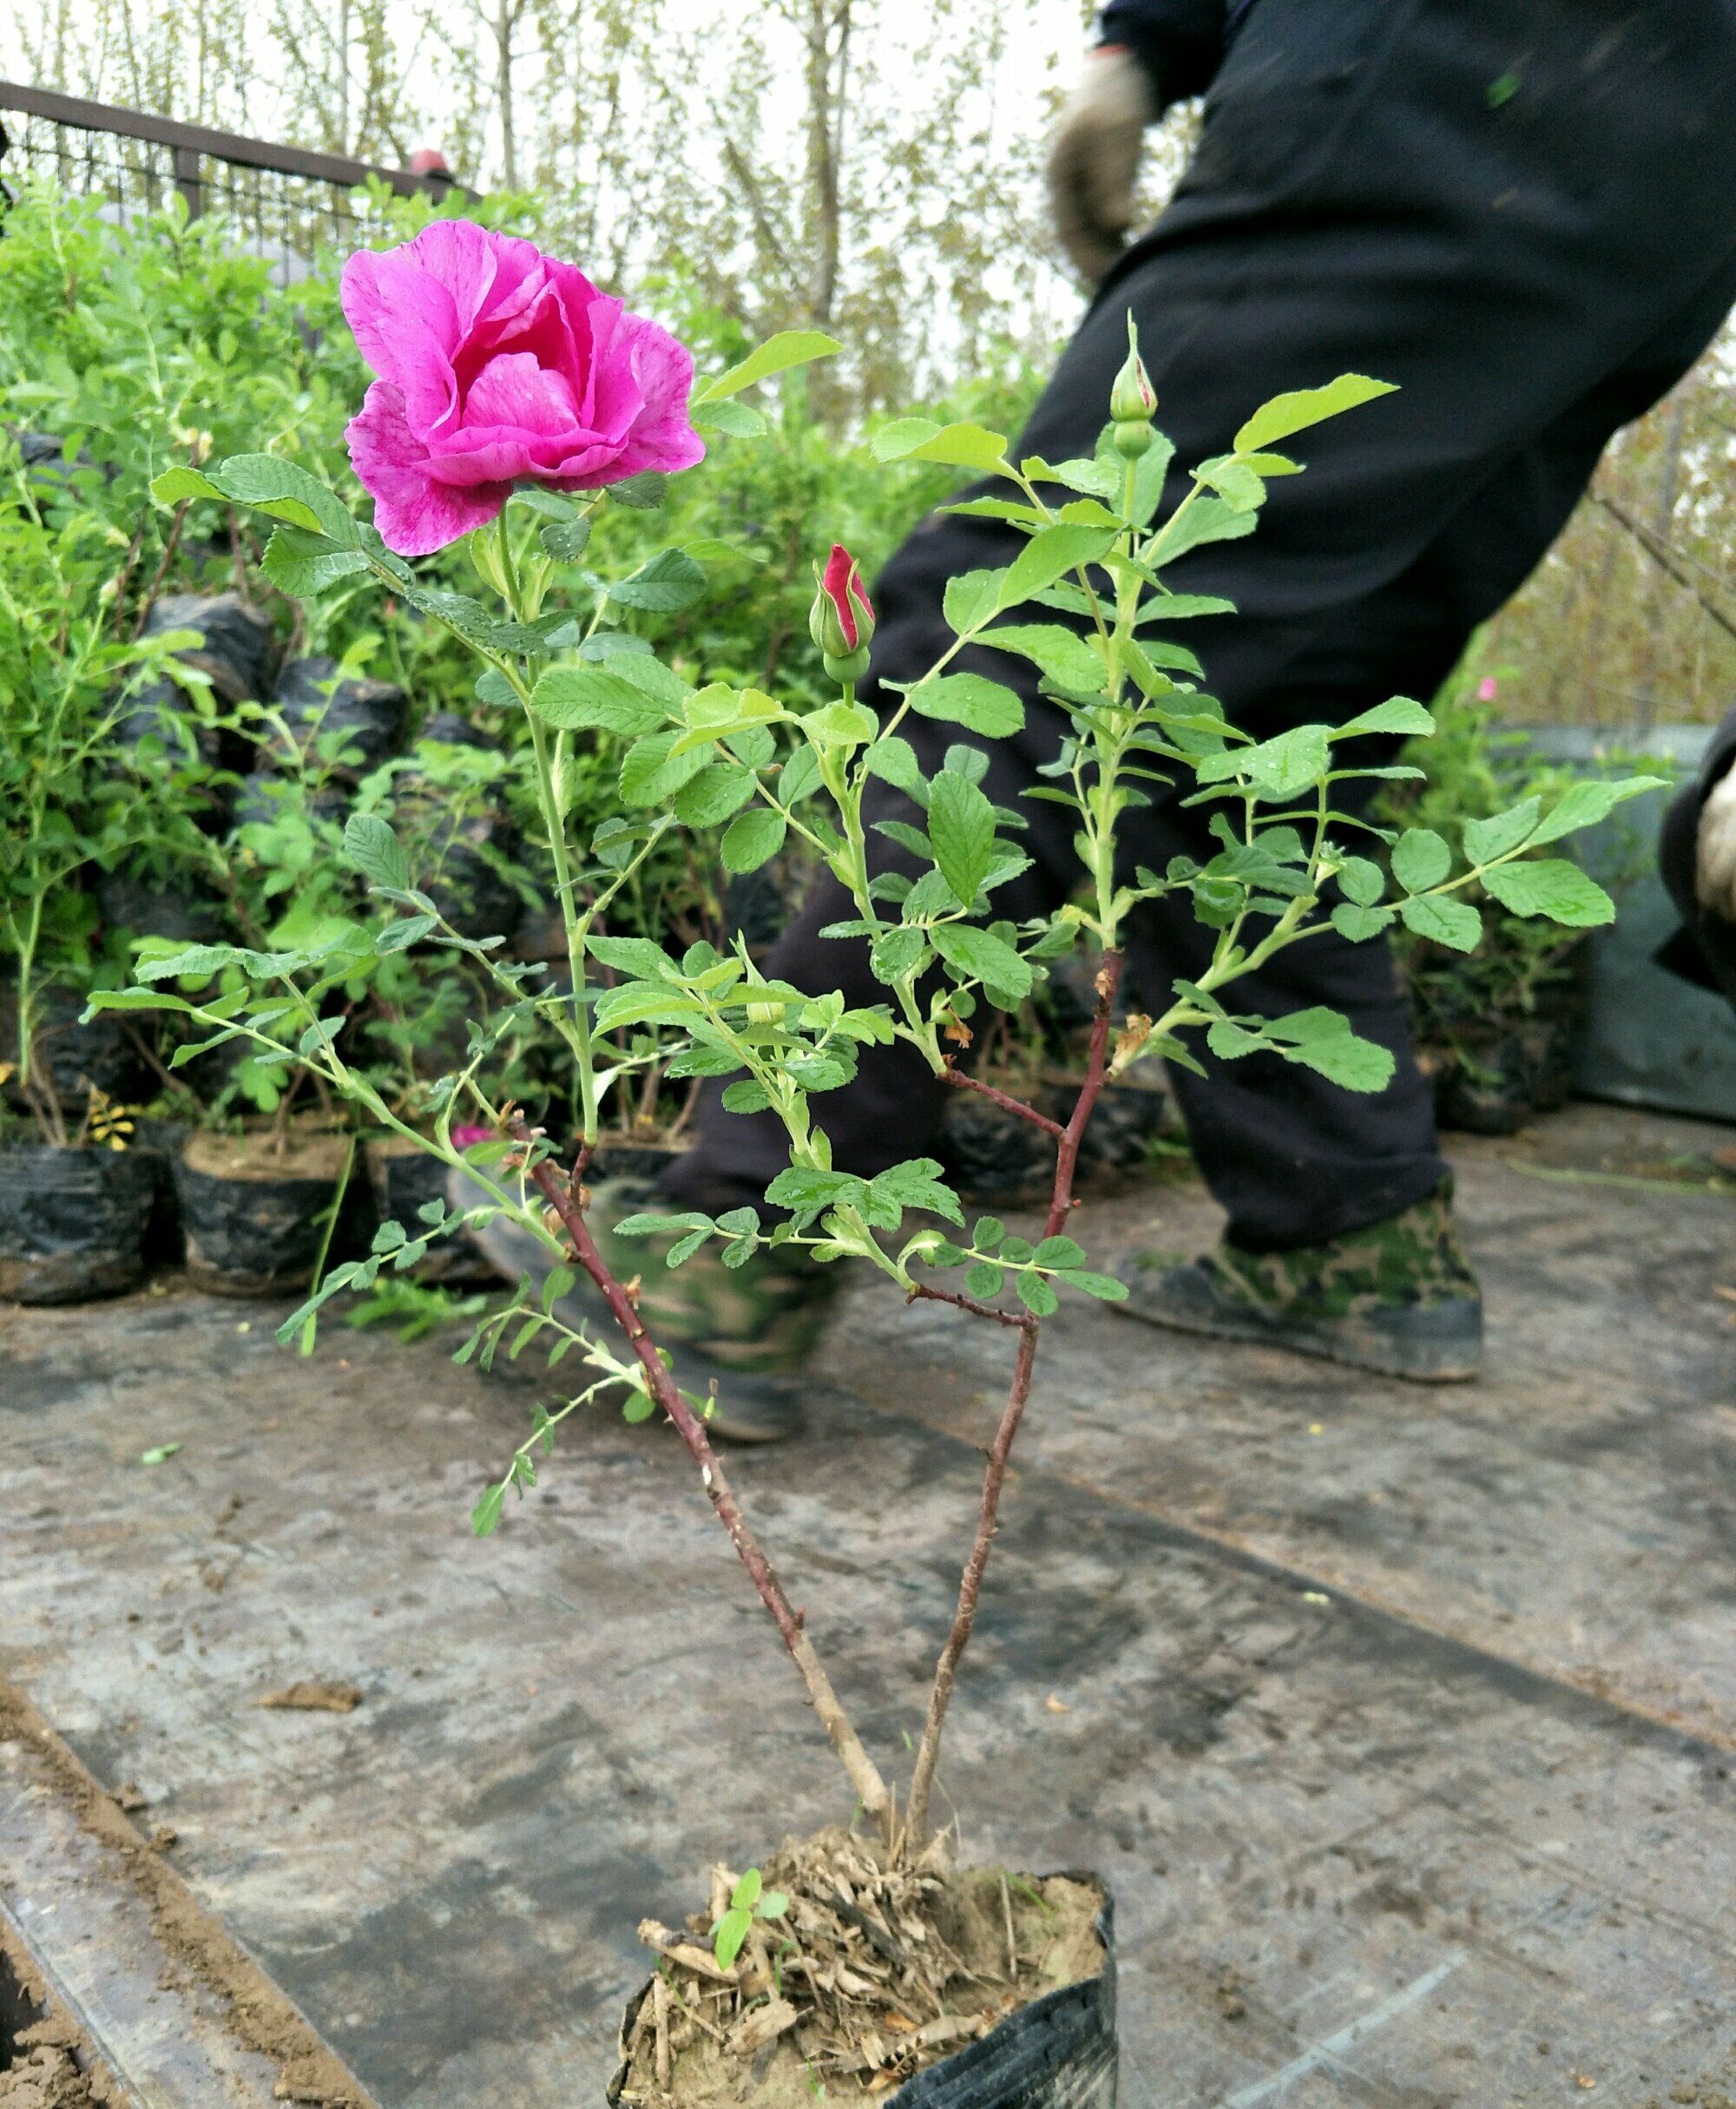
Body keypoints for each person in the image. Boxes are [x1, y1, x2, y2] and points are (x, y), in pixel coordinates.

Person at [470, 0, 1736, 1440]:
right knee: (1256, 733)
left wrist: (1146, 41)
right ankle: (1353, 1235)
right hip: (1679, 192)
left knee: (1014, 627)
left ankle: (735, 1257)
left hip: (1441, 72)